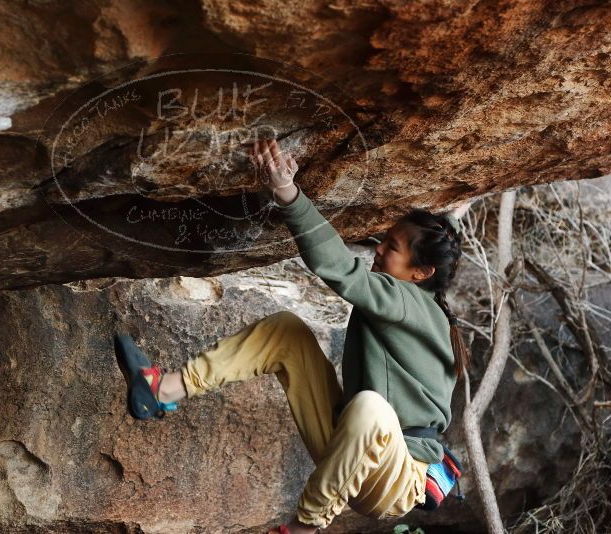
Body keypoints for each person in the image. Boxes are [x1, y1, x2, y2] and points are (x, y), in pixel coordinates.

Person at [114, 138, 473, 533]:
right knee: (288, 332)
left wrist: (288, 193)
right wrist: (457, 208)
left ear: (421, 274)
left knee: (372, 408)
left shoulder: (410, 302)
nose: (378, 250)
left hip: (395, 475)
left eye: (392, 247)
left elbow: (340, 269)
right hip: (349, 449)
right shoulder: (412, 300)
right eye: (383, 240)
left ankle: (303, 528)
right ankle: (163, 390)